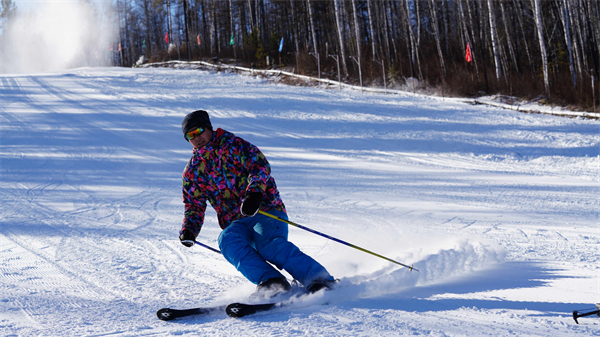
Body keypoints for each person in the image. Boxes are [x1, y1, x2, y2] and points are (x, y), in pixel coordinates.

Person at [178, 110, 335, 296]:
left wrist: (254, 194)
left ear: (209, 128)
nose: (197, 138)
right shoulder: (193, 171)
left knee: (268, 245)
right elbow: (194, 205)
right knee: (227, 241)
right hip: (236, 221)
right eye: (190, 135)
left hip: (265, 210)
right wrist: (189, 229)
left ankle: (319, 279)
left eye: (199, 131)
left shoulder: (233, 145)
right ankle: (272, 282)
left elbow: (260, 165)